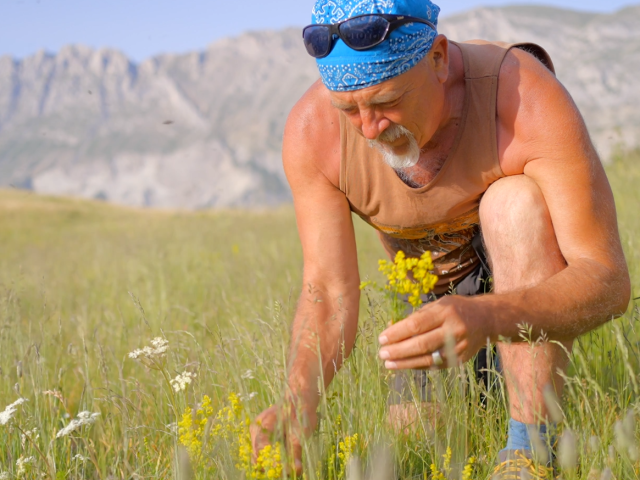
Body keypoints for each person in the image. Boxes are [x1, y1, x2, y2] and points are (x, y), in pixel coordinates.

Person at [251, 0, 631, 476]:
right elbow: (328, 291)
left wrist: (485, 316)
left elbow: (607, 281)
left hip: (533, 285)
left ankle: (529, 453)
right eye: (349, 109)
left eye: (388, 102)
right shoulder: (313, 131)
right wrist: (298, 402)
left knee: (511, 202)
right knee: (414, 446)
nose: (369, 129)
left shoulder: (521, 95)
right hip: (430, 299)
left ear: (438, 58)